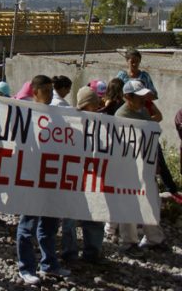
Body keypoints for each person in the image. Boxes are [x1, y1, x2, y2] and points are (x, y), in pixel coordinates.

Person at [16, 75, 70, 285]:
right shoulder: (25, 112)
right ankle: (26, 268)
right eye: (45, 91)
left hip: (51, 176)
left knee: (49, 224)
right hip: (31, 177)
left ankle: (49, 264)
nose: (49, 95)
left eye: (51, 90)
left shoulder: (56, 113)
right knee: (28, 224)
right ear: (35, 92)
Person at [113, 80, 166, 254]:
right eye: (140, 97)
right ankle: (129, 241)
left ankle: (154, 238)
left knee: (151, 201)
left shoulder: (142, 110)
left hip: (145, 166)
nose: (144, 100)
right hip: (127, 168)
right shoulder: (121, 115)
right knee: (128, 202)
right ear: (128, 97)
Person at [60, 87, 105, 264]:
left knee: (94, 214)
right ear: (88, 104)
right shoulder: (71, 122)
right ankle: (69, 253)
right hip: (73, 175)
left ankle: (92, 252)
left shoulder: (101, 123)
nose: (98, 107)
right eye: (95, 104)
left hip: (92, 176)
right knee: (70, 218)